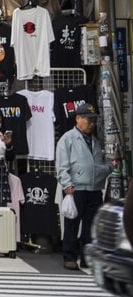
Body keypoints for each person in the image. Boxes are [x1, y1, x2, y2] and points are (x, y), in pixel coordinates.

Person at [55, 104, 112, 270]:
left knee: (91, 225)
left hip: (94, 189)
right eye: (88, 119)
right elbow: (62, 164)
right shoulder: (68, 138)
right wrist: (66, 183)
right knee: (72, 224)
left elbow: (99, 164)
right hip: (76, 189)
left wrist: (108, 168)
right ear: (78, 118)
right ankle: (69, 256)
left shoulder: (95, 141)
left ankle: (87, 257)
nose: (92, 123)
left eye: (94, 120)